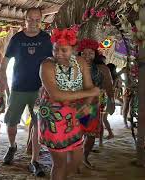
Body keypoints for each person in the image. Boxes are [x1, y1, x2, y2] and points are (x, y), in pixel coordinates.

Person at [37, 28, 99, 180]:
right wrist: (89, 94)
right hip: (53, 117)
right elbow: (56, 95)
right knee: (60, 164)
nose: (58, 53)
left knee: (76, 161)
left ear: (74, 49)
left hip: (74, 117)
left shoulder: (81, 62)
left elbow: (90, 87)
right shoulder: (47, 65)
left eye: (64, 50)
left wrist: (87, 104)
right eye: (55, 49)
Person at [0, 7, 53, 176]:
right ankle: (12, 146)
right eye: (31, 19)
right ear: (25, 20)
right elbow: (5, 62)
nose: (34, 23)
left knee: (37, 124)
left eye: (38, 20)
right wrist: (2, 79)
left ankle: (34, 161)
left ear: (41, 21)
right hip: (18, 88)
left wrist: (50, 85)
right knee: (11, 122)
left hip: (39, 90)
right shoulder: (17, 38)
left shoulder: (46, 38)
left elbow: (53, 61)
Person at [78, 39, 115, 169]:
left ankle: (84, 157)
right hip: (74, 107)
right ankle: (75, 158)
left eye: (90, 53)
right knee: (76, 134)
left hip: (93, 107)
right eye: (84, 53)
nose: (87, 56)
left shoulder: (102, 69)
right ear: (79, 53)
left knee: (91, 134)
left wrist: (111, 100)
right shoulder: (73, 67)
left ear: (95, 55)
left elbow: (109, 86)